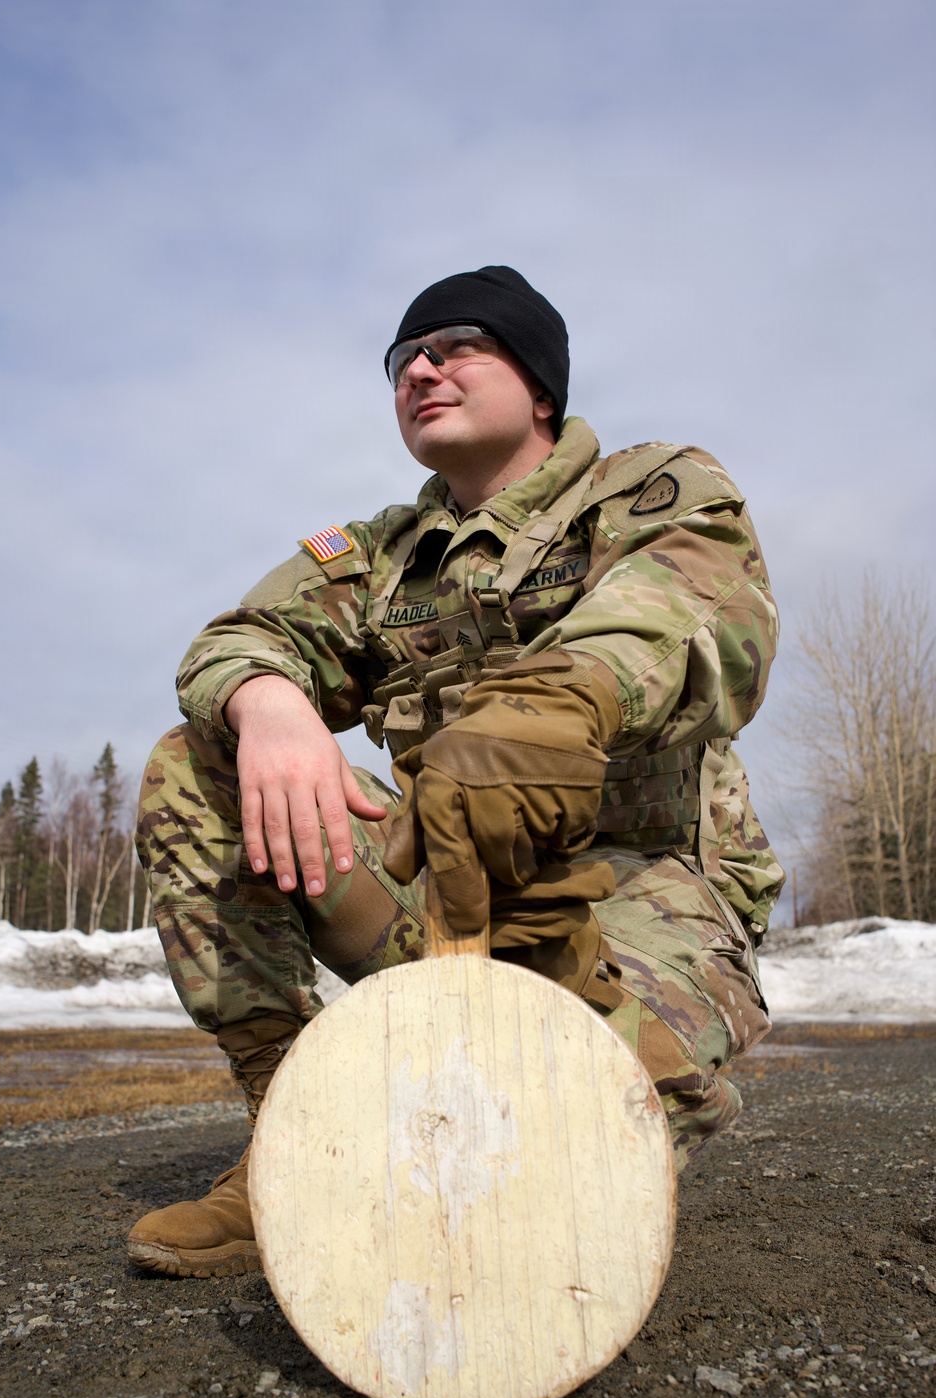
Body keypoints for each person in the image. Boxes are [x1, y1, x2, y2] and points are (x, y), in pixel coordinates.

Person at [128, 266, 784, 1279]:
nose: (420, 369)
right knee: (197, 760)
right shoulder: (382, 556)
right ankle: (295, 1134)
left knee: (557, 1153)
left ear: (539, 385)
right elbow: (239, 637)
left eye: (455, 344)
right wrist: (270, 705)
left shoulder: (650, 490)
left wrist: (555, 708)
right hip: (446, 895)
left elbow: (697, 619)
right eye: (402, 359)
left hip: (643, 889)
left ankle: (513, 1114)